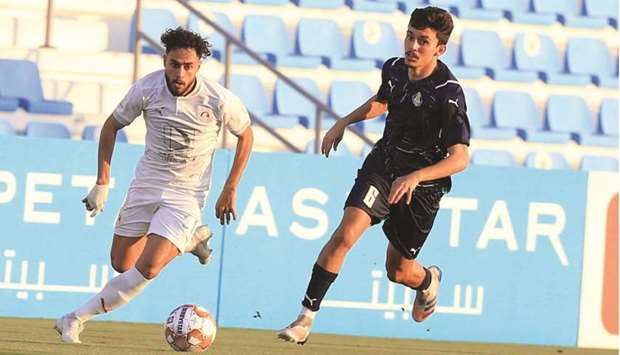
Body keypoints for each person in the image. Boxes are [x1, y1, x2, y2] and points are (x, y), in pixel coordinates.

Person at [277, 6, 470, 344]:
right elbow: (384, 100)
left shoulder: (447, 93)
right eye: (410, 36)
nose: (412, 46)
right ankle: (304, 319)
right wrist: (344, 122)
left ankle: (427, 281)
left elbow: (461, 158)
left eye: (423, 41)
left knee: (398, 271)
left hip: (421, 188)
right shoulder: (395, 69)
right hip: (384, 166)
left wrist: (417, 177)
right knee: (346, 233)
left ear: (439, 49)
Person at [54, 27, 253, 343]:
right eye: (174, 64)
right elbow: (110, 127)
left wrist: (231, 187)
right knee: (122, 263)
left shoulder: (218, 99)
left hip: (186, 194)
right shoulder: (146, 90)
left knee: (148, 268)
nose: (180, 72)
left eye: (188, 66)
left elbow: (246, 134)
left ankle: (75, 318)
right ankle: (189, 241)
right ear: (165, 60)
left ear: (199, 65)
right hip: (146, 184)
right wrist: (102, 182)